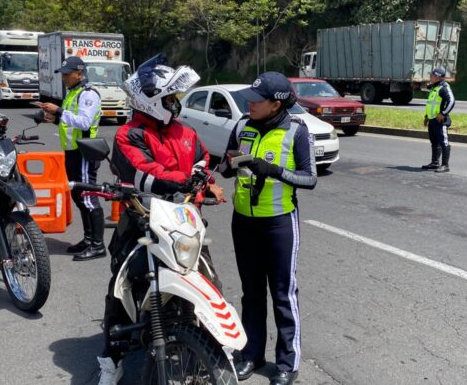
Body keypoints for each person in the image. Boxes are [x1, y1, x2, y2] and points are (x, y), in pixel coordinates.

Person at [96, 54, 226, 385]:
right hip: (142, 220)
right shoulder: (128, 135)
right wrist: (182, 181)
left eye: (175, 97)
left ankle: (212, 348)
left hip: (183, 220)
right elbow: (142, 175)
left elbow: (202, 159)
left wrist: (201, 180)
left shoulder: (184, 130)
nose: (175, 103)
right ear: (151, 100)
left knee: (211, 283)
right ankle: (111, 360)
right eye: (170, 98)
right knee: (120, 291)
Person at [219, 72, 317, 385]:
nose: (249, 103)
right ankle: (251, 354)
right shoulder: (241, 126)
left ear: (275, 104)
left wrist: (273, 170)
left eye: (256, 99)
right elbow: (222, 168)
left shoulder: (296, 131)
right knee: (251, 293)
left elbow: (309, 177)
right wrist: (228, 163)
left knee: (283, 294)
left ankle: (288, 363)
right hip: (243, 221)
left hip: (278, 223)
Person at [35, 56, 106, 261]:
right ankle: (89, 239)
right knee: (78, 196)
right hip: (72, 151)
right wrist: (54, 118)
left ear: (79, 73)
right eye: (63, 74)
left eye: (67, 74)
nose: (64, 77)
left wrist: (58, 110)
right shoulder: (73, 93)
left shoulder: (88, 94)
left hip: (84, 152)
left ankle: (98, 245)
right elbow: (69, 121)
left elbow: (83, 122)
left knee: (88, 198)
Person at [422, 68, 455, 173]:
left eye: (431, 75)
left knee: (444, 142)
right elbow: (432, 104)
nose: (430, 77)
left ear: (437, 76)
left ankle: (445, 165)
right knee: (434, 142)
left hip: (441, 121)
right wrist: (427, 116)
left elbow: (452, 101)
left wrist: (443, 113)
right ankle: (435, 163)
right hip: (432, 120)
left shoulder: (444, 87)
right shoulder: (434, 87)